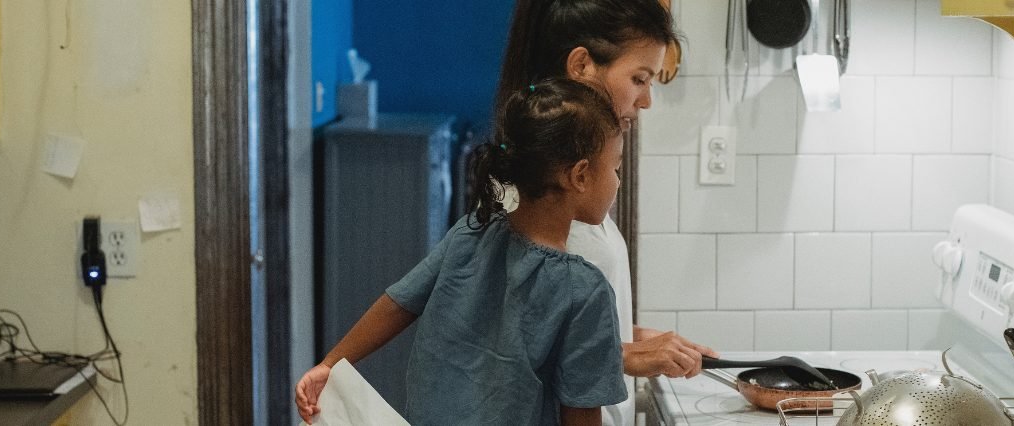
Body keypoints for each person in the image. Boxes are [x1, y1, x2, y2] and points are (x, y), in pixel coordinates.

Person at [296, 79, 630, 425]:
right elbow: (581, 415)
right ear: (579, 176)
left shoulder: (473, 231)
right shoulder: (584, 292)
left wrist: (330, 364)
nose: (617, 181)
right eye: (615, 167)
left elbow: (397, 303)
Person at [496, 1, 719, 424]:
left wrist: (629, 336)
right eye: (639, 79)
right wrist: (627, 354)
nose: (647, 100)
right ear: (581, 65)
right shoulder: (543, 202)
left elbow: (555, 322)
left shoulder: (580, 187)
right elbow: (512, 347)